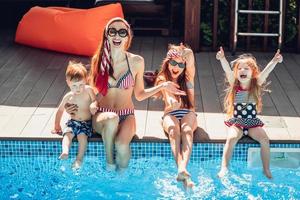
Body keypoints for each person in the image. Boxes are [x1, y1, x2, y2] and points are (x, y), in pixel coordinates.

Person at [64, 17, 184, 170]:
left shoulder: (137, 62)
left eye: (122, 32)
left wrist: (162, 86)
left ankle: (121, 179)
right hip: (103, 114)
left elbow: (139, 94)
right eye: (112, 31)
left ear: (128, 36)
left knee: (121, 144)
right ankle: (110, 164)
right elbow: (91, 92)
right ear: (106, 35)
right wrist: (73, 106)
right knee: (111, 118)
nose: (117, 36)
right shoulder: (99, 60)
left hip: (127, 114)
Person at [216, 47, 283, 179]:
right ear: (236, 73)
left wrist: (274, 61)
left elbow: (266, 72)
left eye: (246, 68)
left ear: (253, 73)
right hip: (237, 122)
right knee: (231, 138)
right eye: (239, 68)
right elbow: (227, 71)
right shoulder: (235, 84)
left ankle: (266, 169)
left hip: (252, 123)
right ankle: (224, 167)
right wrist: (222, 58)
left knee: (264, 139)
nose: (242, 70)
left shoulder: (256, 85)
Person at [154, 44, 197, 188]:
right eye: (173, 62)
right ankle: (182, 170)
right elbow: (167, 92)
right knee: (174, 130)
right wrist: (172, 101)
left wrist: (185, 52)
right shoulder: (162, 77)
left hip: (188, 112)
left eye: (180, 64)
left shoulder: (188, 76)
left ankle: (182, 168)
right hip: (170, 113)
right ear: (168, 63)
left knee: (186, 130)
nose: (176, 67)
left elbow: (190, 56)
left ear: (184, 66)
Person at [52, 61, 98, 169]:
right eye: (74, 86)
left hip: (86, 123)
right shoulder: (68, 96)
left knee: (83, 139)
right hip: (73, 122)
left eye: (81, 84)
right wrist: (56, 126)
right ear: (68, 82)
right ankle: (65, 151)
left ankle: (79, 159)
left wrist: (93, 105)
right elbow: (60, 111)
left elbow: (95, 100)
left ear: (86, 81)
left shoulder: (88, 90)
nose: (78, 88)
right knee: (67, 135)